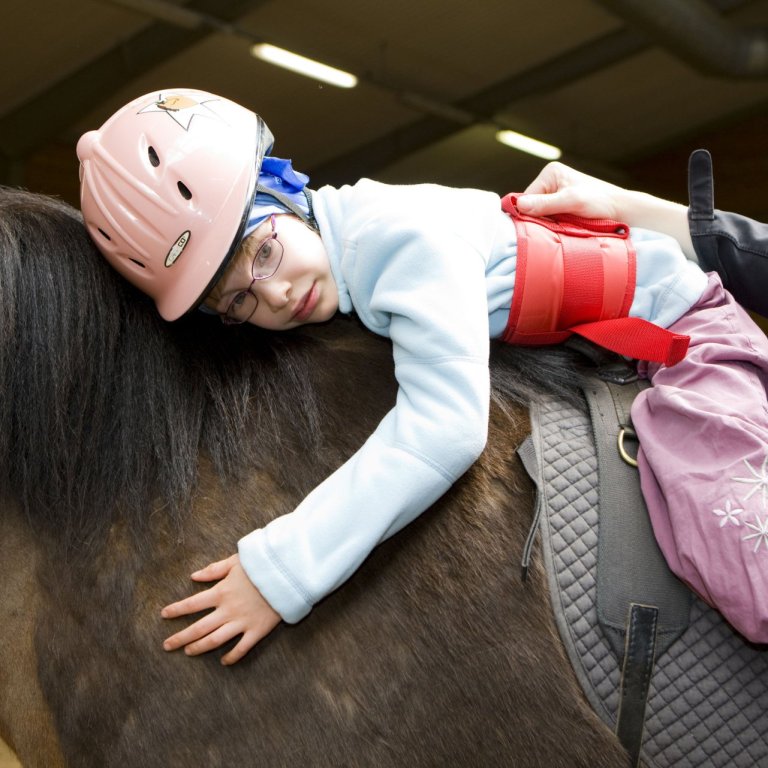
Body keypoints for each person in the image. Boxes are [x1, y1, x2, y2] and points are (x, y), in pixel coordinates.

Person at [76, 88, 765, 665]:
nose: (275, 295)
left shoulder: (394, 240)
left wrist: (281, 571)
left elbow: (446, 429)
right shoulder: (349, 247)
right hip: (614, 350)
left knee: (729, 546)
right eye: (238, 302)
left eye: (262, 252)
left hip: (690, 340)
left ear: (285, 190)